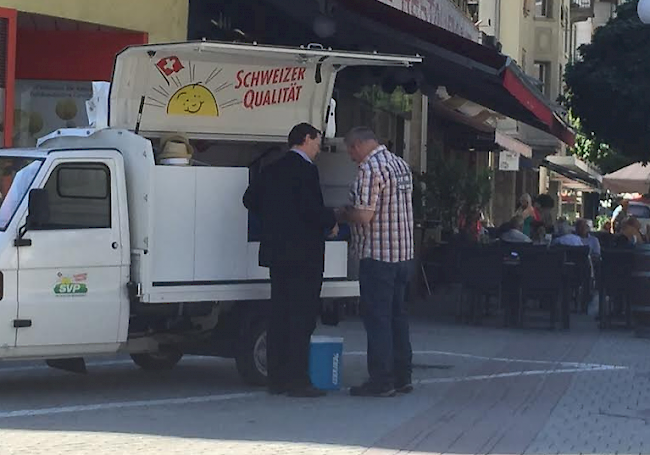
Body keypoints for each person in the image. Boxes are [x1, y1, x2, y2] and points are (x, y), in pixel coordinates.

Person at [242, 123, 338, 398]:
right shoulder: (305, 170)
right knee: (301, 316)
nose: (319, 148)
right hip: (303, 254)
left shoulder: (271, 168)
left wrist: (274, 219)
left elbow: (249, 199)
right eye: (317, 142)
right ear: (306, 139)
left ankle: (277, 377)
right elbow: (311, 209)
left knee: (279, 313)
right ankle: (296, 379)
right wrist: (330, 222)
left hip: (276, 253)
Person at [336, 126, 414, 398]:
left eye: (350, 149)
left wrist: (343, 214)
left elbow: (365, 216)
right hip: (403, 254)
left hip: (378, 255)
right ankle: (403, 376)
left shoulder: (370, 169)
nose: (350, 156)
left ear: (358, 144)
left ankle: (381, 380)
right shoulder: (399, 164)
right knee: (397, 317)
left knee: (377, 319)